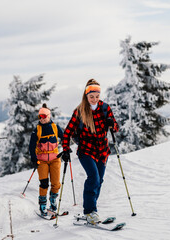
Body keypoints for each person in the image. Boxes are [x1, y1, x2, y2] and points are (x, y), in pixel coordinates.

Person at [60, 79, 119, 225]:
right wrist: (66, 150)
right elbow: (67, 132)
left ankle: (91, 210)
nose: (94, 99)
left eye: (97, 96)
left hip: (102, 151)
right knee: (93, 178)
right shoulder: (79, 111)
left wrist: (112, 124)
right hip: (86, 150)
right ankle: (90, 211)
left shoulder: (105, 108)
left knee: (99, 181)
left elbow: (115, 128)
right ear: (86, 96)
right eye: (91, 96)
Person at [29, 103, 64, 216]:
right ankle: (42, 205)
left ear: (49, 116)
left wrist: (67, 149)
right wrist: (34, 159)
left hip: (55, 159)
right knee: (44, 183)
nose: (42, 119)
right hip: (42, 160)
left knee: (56, 183)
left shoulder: (55, 127)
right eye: (40, 117)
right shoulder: (37, 130)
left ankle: (53, 201)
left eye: (44, 116)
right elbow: (31, 145)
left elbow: (64, 137)